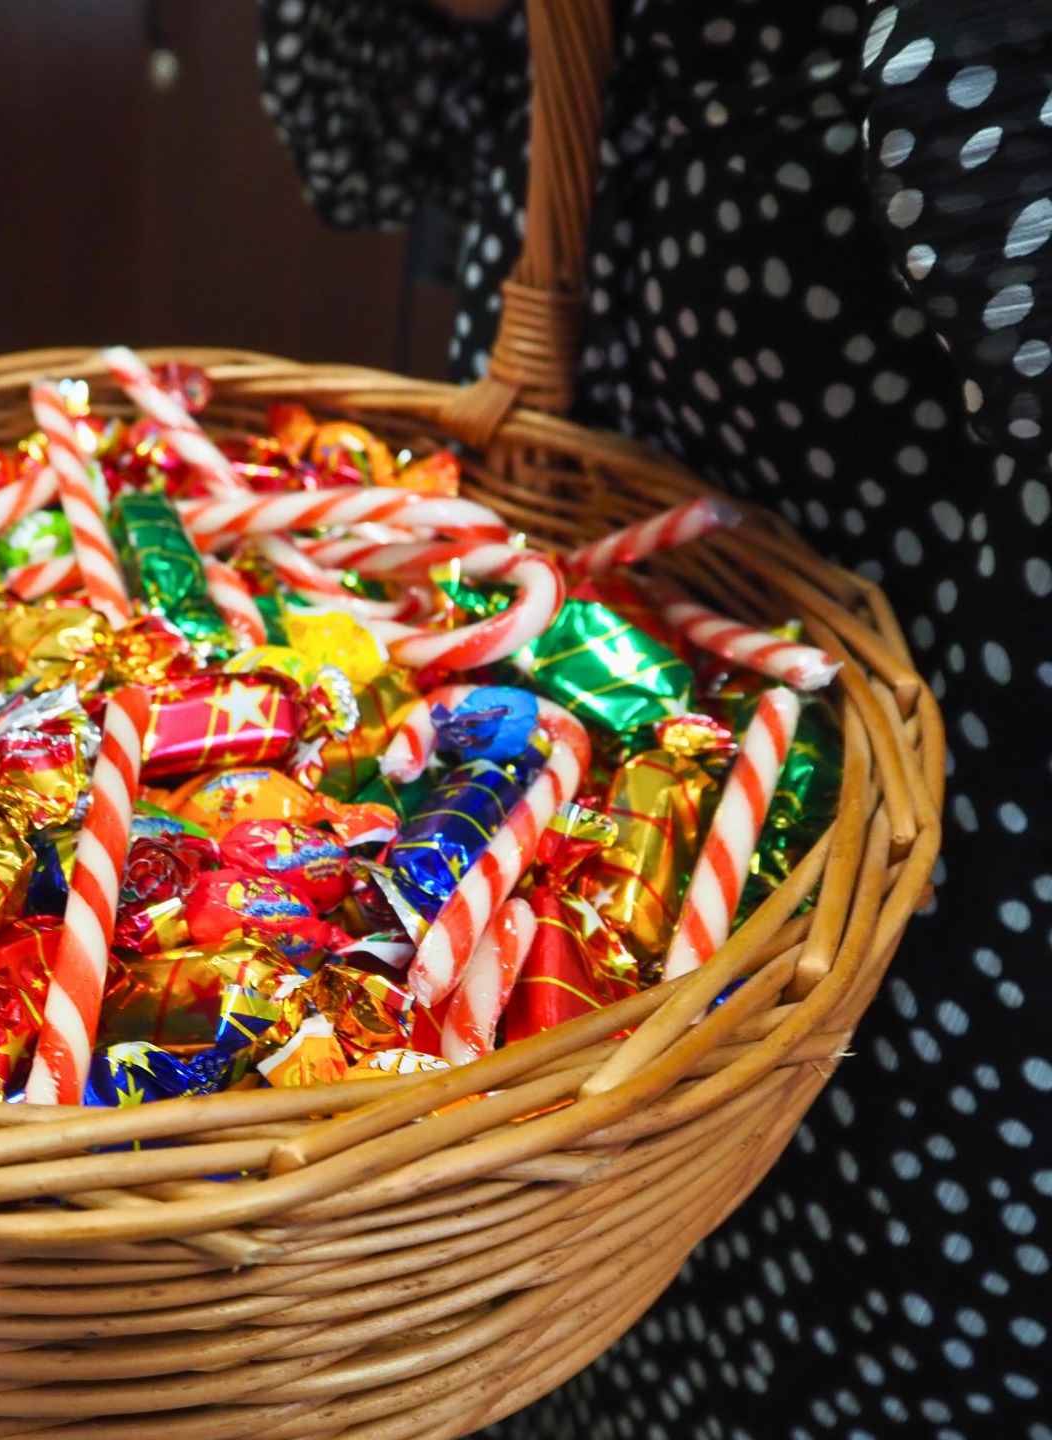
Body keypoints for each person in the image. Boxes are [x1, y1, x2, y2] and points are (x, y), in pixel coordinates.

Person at [257, 2, 1051, 1436]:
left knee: (851, 1305)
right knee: (515, 1312)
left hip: (939, 660)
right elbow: (360, 143)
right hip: (551, 484)